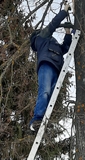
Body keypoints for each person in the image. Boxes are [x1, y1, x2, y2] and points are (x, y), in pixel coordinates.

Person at [28, 2, 73, 132]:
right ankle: (37, 119)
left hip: (56, 69)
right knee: (45, 91)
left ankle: (43, 121)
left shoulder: (53, 44)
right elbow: (53, 25)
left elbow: (65, 48)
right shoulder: (41, 38)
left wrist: (68, 33)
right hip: (46, 66)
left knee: (52, 96)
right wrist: (64, 12)